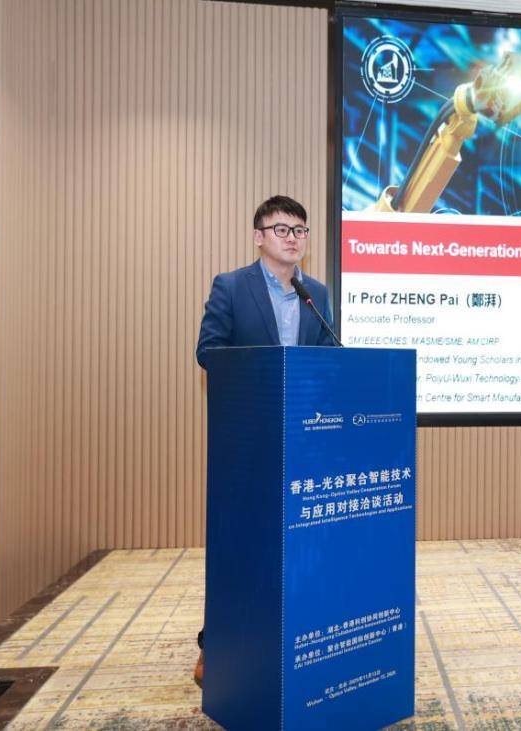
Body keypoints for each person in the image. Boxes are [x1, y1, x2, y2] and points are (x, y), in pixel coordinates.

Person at [193, 195, 336, 686]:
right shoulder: (232, 286)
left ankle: (295, 639)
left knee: (299, 548)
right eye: (282, 229)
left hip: (303, 440)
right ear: (259, 236)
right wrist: (267, 375)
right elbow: (209, 352)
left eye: (300, 230)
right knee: (240, 547)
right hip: (249, 442)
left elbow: (326, 360)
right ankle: (217, 645)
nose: (293, 238)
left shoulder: (316, 294)